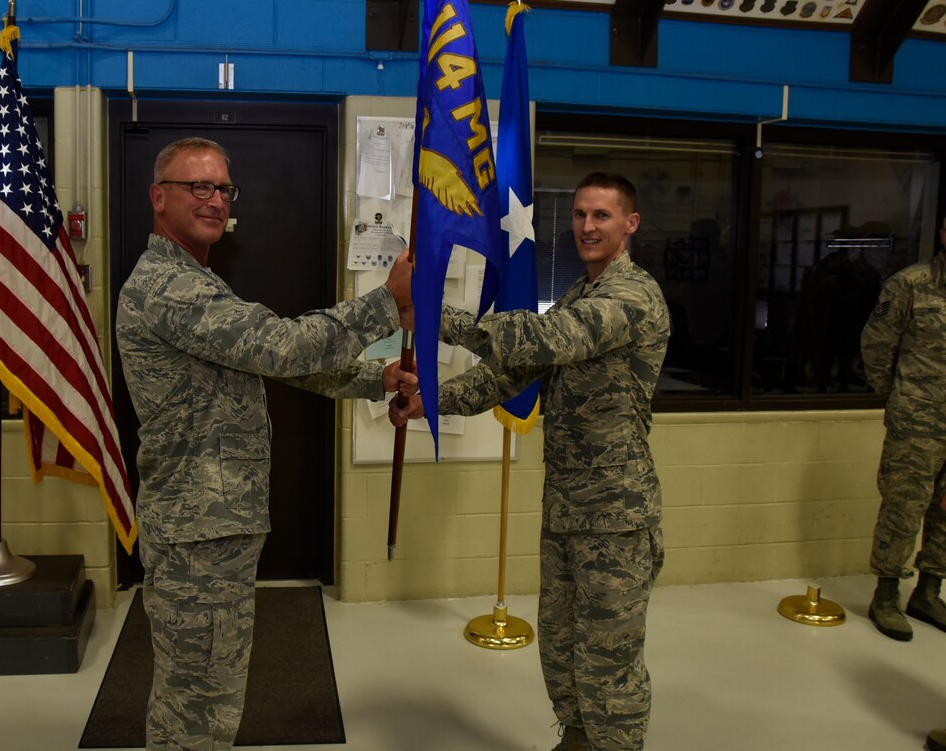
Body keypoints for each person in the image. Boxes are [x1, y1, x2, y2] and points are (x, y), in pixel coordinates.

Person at [115, 136, 414, 751]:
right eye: (198, 186)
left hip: (211, 527)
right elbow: (281, 345)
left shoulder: (196, 279)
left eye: (223, 188)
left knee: (201, 696)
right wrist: (387, 303)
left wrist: (373, 378)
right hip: (199, 533)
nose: (215, 199)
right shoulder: (169, 288)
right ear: (158, 196)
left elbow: (266, 364)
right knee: (198, 707)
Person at [391, 172, 670, 751]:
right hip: (567, 510)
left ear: (630, 224)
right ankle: (575, 738)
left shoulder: (632, 296)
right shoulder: (580, 293)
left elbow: (540, 342)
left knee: (608, 666)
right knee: (562, 646)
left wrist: (429, 311)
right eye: (580, 215)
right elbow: (514, 375)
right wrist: (431, 401)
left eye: (602, 216)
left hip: (616, 518)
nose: (588, 227)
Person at [861, 217, 946, 642]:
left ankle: (929, 591)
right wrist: (903, 399)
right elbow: (877, 347)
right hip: (919, 422)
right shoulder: (911, 285)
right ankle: (888, 594)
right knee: (903, 508)